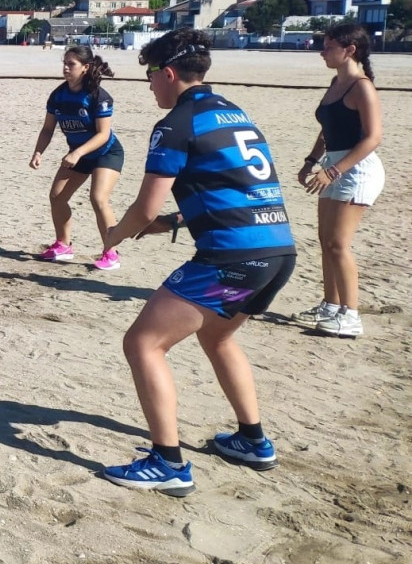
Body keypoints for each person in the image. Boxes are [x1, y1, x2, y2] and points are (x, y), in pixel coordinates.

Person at [100, 29, 296, 496]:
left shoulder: (176, 123)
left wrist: (115, 236)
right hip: (278, 252)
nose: (149, 87)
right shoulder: (233, 113)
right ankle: (252, 441)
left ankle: (167, 463)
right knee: (219, 336)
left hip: (231, 259)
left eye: (149, 76)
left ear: (168, 74)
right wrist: (172, 222)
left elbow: (143, 208)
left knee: (143, 344)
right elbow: (230, 189)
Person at [293, 23, 384, 338]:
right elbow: (327, 127)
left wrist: (333, 170)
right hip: (332, 165)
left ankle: (351, 315)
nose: (321, 51)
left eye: (328, 46)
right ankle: (331, 305)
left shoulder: (362, 87)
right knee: (325, 241)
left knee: (338, 244)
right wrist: (311, 161)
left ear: (350, 49)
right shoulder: (337, 82)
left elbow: (373, 138)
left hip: (355, 169)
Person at [29, 45, 124, 270]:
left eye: (71, 64)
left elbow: (103, 135)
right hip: (78, 155)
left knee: (98, 198)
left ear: (85, 67)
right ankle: (63, 245)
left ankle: (111, 253)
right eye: (64, 62)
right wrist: (38, 152)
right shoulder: (58, 95)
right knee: (57, 196)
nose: (65, 68)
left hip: (105, 153)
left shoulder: (98, 96)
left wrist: (78, 152)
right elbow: (47, 129)